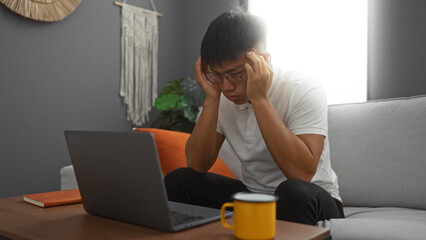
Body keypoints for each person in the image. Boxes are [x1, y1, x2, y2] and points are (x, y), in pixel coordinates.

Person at [164, 10, 345, 225]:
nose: (226, 86)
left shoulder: (304, 89)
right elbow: (196, 165)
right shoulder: (221, 94)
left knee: (295, 192)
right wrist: (211, 100)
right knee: (179, 182)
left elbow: (301, 174)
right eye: (217, 74)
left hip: (314, 196)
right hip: (253, 195)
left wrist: (260, 99)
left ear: (263, 60)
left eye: (236, 74)